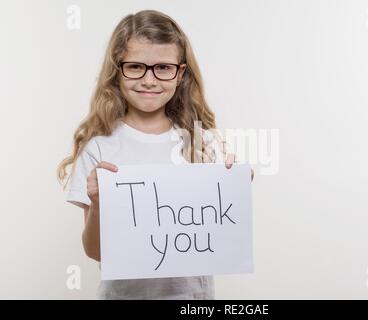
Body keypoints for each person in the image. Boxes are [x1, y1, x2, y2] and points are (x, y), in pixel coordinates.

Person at [56, 9, 253, 300]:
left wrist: (233, 185)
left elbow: (220, 235)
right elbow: (94, 251)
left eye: (163, 67)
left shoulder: (201, 143)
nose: (149, 80)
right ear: (117, 69)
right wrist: (97, 205)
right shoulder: (99, 148)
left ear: (180, 73)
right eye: (136, 67)